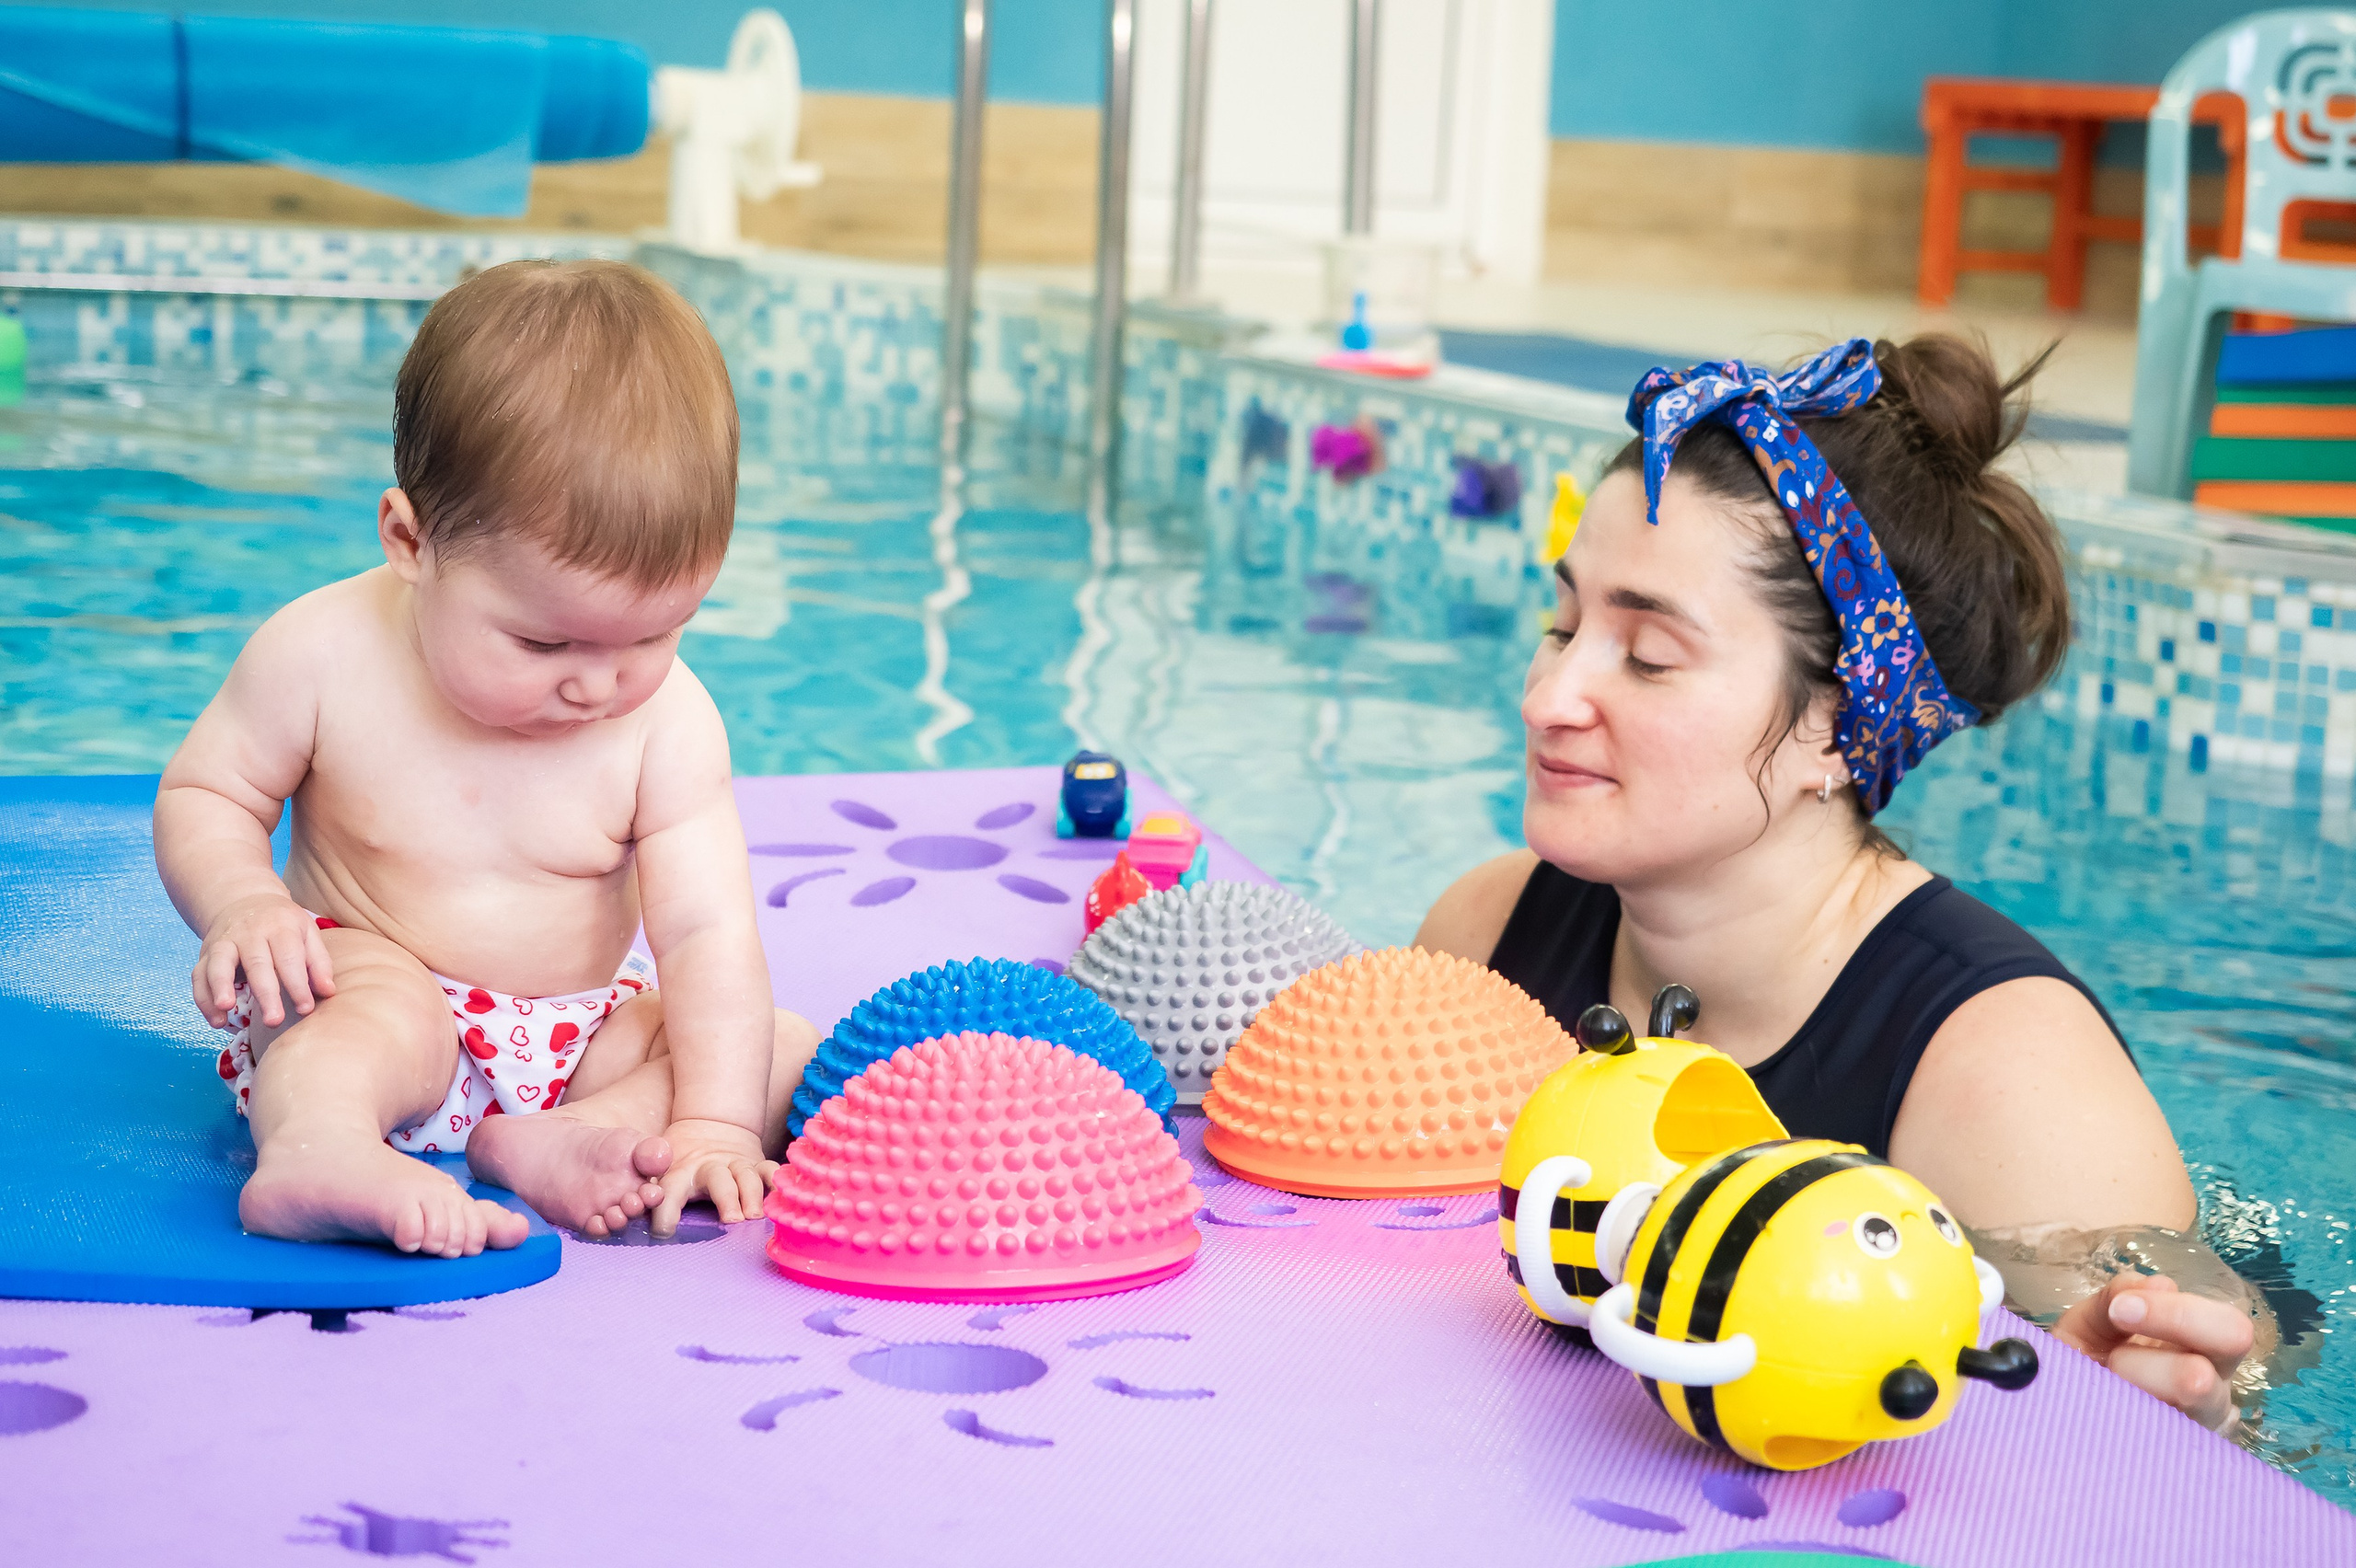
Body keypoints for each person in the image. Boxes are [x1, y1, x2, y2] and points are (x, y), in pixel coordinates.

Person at [1417, 336, 2260, 1431]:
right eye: (1563, 625)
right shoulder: (1487, 934)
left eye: (1648, 656)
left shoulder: (2004, 1080)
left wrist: (2118, 1399)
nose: (1549, 697)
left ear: (1834, 725)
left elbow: (2225, 1412)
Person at [155, 259, 817, 1257]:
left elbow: (705, 937)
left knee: (780, 1044)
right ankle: (322, 1146)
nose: (599, 685)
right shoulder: (323, 652)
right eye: (544, 645)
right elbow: (209, 791)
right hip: (371, 988)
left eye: (654, 636)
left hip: (571, 1037)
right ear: (410, 541)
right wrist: (245, 905)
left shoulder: (670, 725)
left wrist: (714, 1126)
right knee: (367, 1008)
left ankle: (567, 1137)